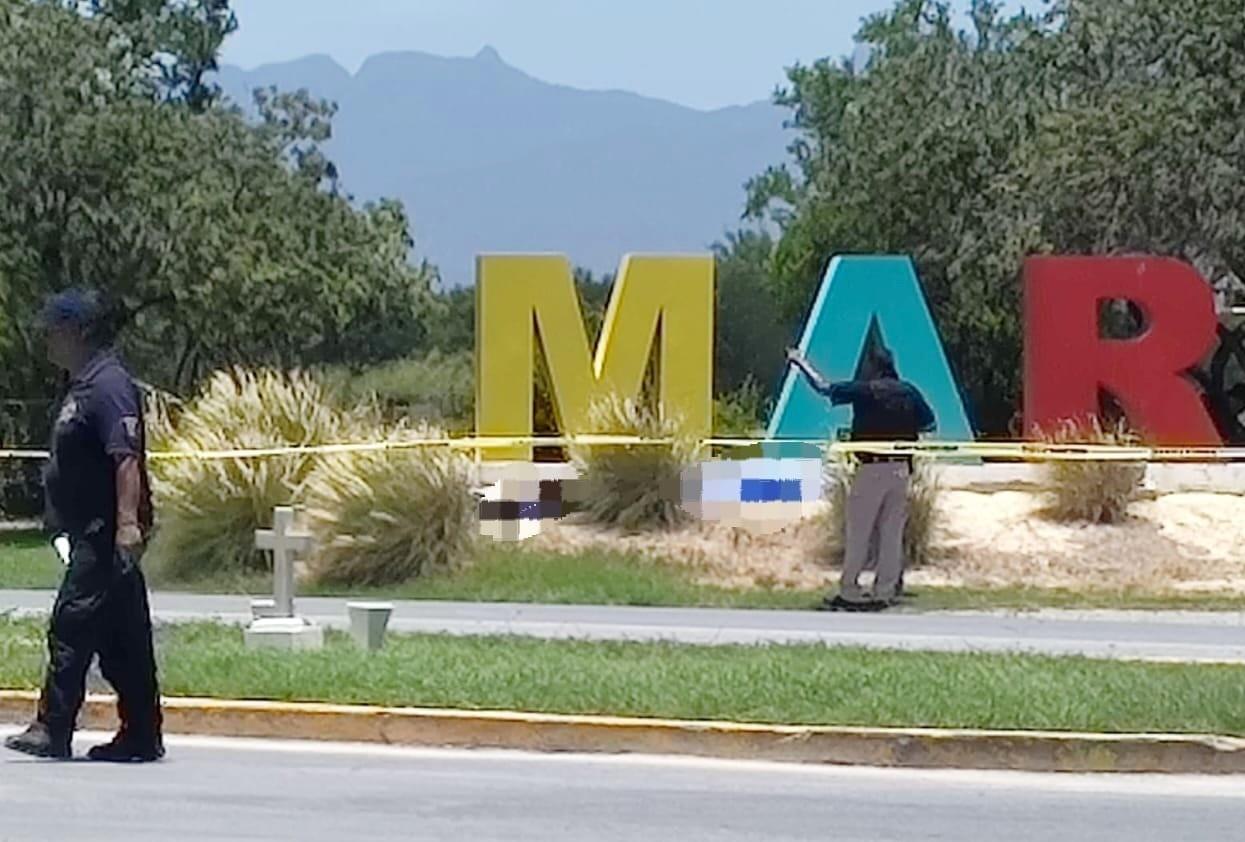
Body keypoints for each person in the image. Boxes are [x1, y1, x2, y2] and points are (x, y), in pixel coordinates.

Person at [4, 290, 164, 762]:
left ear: (77, 332)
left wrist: (128, 525)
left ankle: (52, 729)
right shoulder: (84, 385)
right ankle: (140, 734)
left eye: (53, 331)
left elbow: (125, 458)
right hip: (92, 531)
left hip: (105, 530)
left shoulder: (108, 385)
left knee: (71, 625)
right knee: (123, 637)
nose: (47, 341)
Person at [786, 344, 935, 612]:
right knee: (891, 533)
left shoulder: (866, 391)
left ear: (873, 369)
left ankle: (851, 591)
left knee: (859, 531)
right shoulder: (909, 392)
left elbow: (823, 388)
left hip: (871, 469)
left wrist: (800, 362)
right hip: (900, 469)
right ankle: (884, 591)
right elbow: (929, 424)